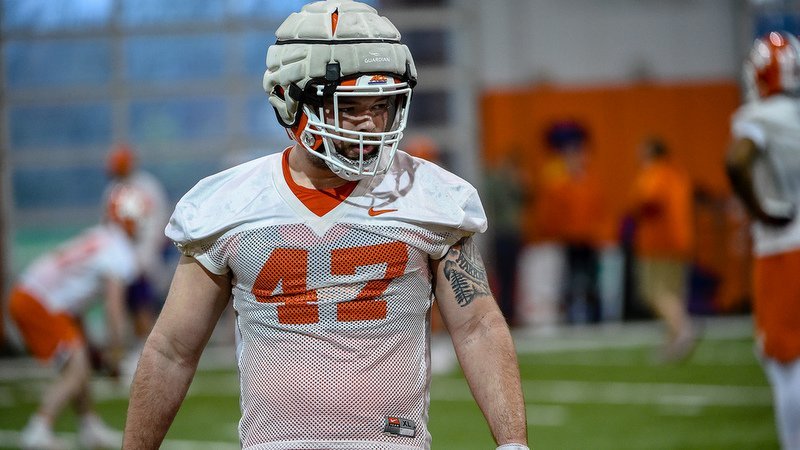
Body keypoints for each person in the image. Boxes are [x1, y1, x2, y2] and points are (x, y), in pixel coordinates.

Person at [122, 2, 530, 450]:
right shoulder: (231, 204)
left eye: (382, 104)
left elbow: (478, 326)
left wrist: (513, 444)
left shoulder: (428, 195)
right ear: (291, 102)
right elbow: (172, 349)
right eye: (349, 106)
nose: (370, 123)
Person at [8, 184, 147, 450]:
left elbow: (74, 299)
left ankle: (89, 425)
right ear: (130, 218)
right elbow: (114, 309)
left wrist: (90, 343)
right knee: (77, 368)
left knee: (79, 360)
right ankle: (39, 427)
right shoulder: (119, 251)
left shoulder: (100, 237)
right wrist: (116, 353)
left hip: (34, 296)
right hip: (39, 302)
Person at [726, 31, 800, 450]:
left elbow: (736, 162)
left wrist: (760, 211)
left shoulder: (760, 116)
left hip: (783, 249)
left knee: (786, 362)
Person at [629, 137, 696, 362]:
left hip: (659, 242)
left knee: (655, 292)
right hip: (679, 240)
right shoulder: (677, 172)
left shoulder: (655, 173)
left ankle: (683, 328)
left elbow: (649, 200)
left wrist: (635, 208)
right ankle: (673, 342)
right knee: (672, 292)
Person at [103, 144, 171, 350]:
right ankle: (131, 348)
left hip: (146, 255)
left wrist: (150, 252)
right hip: (122, 257)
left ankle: (148, 348)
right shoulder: (112, 191)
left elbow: (160, 221)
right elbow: (108, 226)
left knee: (145, 304)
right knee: (125, 306)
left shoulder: (147, 185)